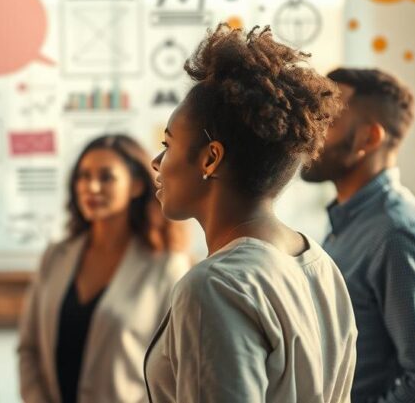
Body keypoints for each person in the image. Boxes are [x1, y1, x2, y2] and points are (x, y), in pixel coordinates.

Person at [145, 25, 357, 403]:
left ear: (210, 158)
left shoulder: (215, 285)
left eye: (168, 144)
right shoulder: (318, 263)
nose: (157, 161)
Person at [302, 68, 415, 403]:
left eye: (327, 120)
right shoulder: (349, 221)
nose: (310, 131)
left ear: (370, 138)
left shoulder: (399, 235)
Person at [19, 135, 190, 403]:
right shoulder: (55, 256)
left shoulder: (166, 266)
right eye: (83, 176)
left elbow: (174, 368)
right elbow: (29, 348)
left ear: (136, 185)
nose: (91, 187)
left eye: (106, 177)